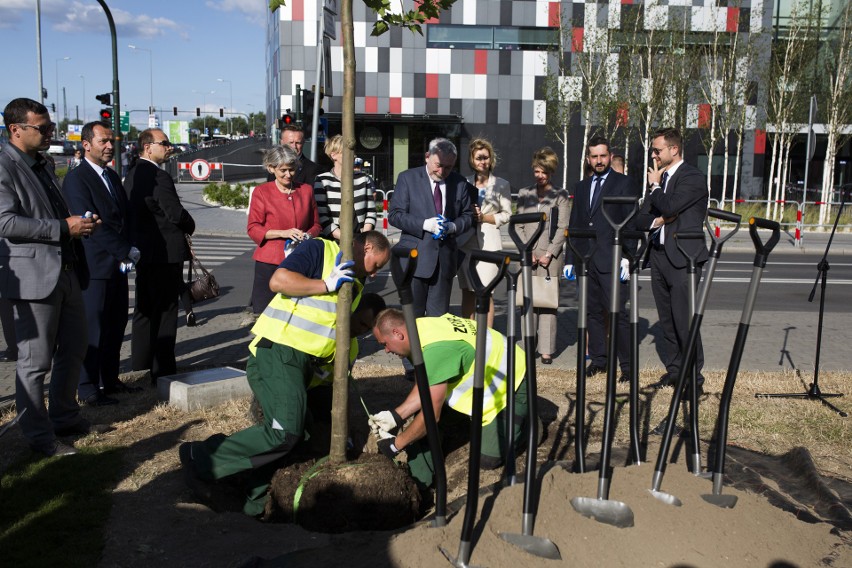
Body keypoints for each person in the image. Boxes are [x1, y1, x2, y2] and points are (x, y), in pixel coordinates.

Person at [179, 231, 391, 517]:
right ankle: (203, 457)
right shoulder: (322, 250)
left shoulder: (356, 284)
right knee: (285, 431)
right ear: (366, 246)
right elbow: (278, 281)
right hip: (279, 349)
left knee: (298, 434)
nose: (376, 274)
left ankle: (255, 494)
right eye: (376, 264)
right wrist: (324, 283)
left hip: (299, 363)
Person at [0, 97, 101, 457]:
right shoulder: (4, 164)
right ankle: (39, 439)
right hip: (33, 277)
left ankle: (65, 417)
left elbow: (53, 210)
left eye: (50, 128)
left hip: (66, 269)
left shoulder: (43, 162)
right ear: (16, 130)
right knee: (35, 362)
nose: (50, 134)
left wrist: (79, 224)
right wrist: (62, 227)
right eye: (42, 129)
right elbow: (5, 222)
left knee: (74, 349)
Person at [369, 309, 529, 489]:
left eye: (385, 343)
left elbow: (432, 416)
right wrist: (395, 415)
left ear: (398, 334)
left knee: (488, 458)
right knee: (421, 424)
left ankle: (528, 426)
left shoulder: (435, 349)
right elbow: (427, 384)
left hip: (513, 381)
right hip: (482, 380)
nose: (386, 350)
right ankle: (420, 485)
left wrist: (395, 445)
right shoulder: (419, 330)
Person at [62, 121, 141, 405]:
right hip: (93, 266)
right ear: (86, 145)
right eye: (103, 141)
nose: (110, 146)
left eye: (112, 140)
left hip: (117, 267)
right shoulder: (77, 178)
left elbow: (125, 216)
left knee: (115, 325)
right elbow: (91, 221)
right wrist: (124, 251)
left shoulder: (110, 175)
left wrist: (130, 248)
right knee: (92, 329)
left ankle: (111, 380)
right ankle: (87, 388)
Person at [636, 127, 709, 393]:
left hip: (685, 258)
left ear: (674, 149)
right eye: (653, 150)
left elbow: (669, 206)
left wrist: (656, 188)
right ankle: (675, 372)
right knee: (667, 321)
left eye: (657, 150)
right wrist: (660, 218)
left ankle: (694, 380)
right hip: (658, 256)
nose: (653, 155)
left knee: (684, 320)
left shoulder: (692, 177)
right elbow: (642, 219)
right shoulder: (659, 181)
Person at [125, 128, 196, 385]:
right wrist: (191, 224)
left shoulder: (131, 174)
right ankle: (163, 370)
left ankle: (140, 366)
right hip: (165, 254)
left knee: (144, 311)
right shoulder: (158, 175)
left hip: (144, 253)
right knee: (166, 313)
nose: (169, 147)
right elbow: (175, 213)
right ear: (147, 147)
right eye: (164, 143)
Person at [565, 137, 638, 380]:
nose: (599, 161)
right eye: (594, 157)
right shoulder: (582, 187)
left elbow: (630, 221)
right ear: (588, 158)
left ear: (610, 156)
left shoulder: (624, 183)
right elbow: (575, 223)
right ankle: (599, 360)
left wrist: (628, 256)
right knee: (592, 313)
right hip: (586, 259)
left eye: (603, 156)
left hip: (612, 259)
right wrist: (569, 259)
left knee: (617, 314)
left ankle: (628, 367)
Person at [388, 138, 473, 318]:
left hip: (445, 262)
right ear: (427, 157)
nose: (442, 171)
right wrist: (424, 224)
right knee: (413, 318)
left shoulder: (459, 183)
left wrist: (452, 226)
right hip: (415, 260)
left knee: (439, 320)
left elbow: (467, 216)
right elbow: (395, 214)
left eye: (448, 167)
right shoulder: (407, 178)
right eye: (438, 165)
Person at [247, 145, 321, 317]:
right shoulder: (262, 192)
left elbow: (316, 224)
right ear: (271, 168)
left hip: (300, 260)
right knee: (266, 315)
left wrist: (309, 235)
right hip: (269, 263)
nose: (288, 175)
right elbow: (253, 228)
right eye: (283, 170)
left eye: (292, 169)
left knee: (296, 314)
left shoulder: (306, 190)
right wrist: (283, 233)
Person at [515, 147, 570, 365]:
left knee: (547, 303)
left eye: (543, 172)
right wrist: (526, 251)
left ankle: (546, 349)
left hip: (550, 258)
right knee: (527, 301)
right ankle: (527, 344)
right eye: (536, 171)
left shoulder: (561, 195)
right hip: (528, 256)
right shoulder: (524, 193)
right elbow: (517, 225)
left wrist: (550, 253)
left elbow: (563, 227)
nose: (539, 176)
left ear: (551, 171)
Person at [458, 138, 512, 328]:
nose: (483, 161)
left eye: (486, 158)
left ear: (491, 159)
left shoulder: (502, 184)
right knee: (467, 292)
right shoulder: (463, 182)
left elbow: (506, 215)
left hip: (489, 243)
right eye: (479, 158)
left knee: (485, 291)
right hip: (465, 244)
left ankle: (487, 339)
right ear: (472, 160)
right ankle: (468, 336)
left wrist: (485, 218)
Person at [314, 135, 377, 240]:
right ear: (333, 155)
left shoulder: (363, 178)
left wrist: (363, 238)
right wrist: (345, 239)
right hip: (333, 240)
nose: (353, 155)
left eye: (353, 152)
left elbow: (371, 212)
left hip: (360, 239)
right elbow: (322, 217)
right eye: (346, 152)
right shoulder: (322, 180)